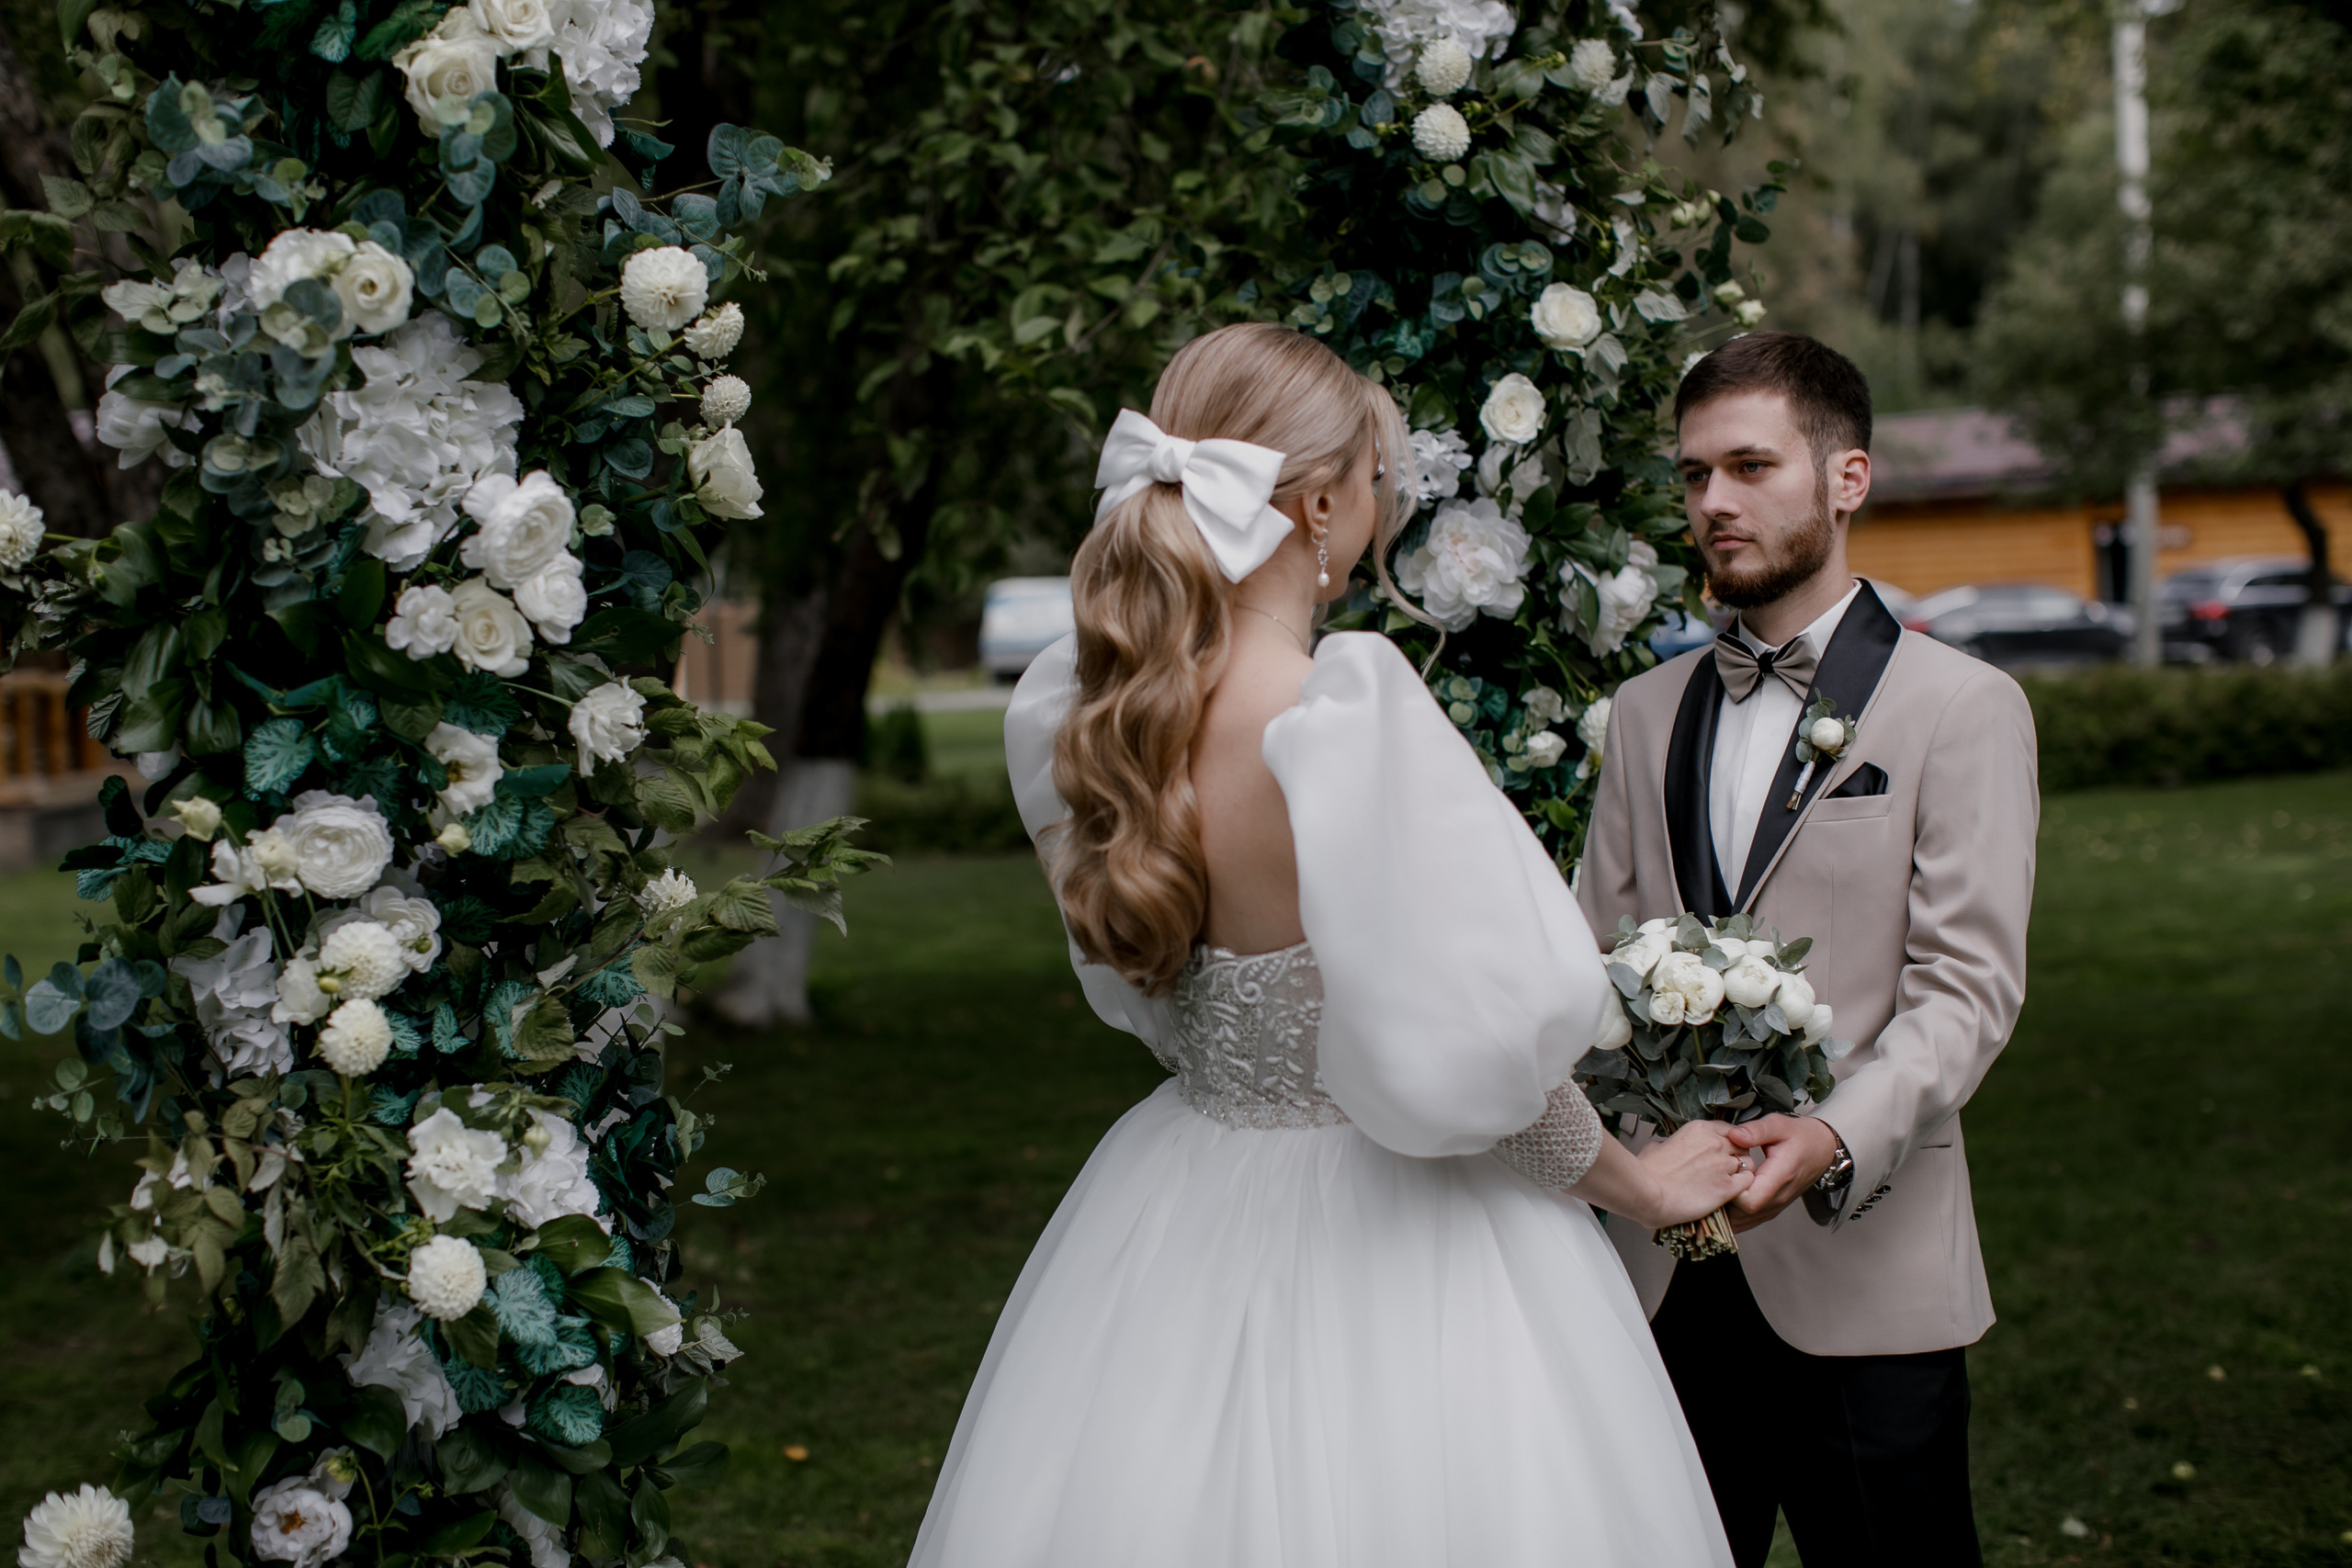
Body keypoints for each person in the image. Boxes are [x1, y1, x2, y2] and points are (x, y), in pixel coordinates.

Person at [910, 322, 1748, 1566]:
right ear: (1314, 505)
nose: (1380, 511)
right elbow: (1470, 1063)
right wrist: (1644, 1186)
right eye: (1374, 484)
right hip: (1404, 1234)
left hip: (1175, 1212)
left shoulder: (1090, 720)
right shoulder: (1341, 717)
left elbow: (1152, 1007)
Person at [1577, 332, 2040, 1568]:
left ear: (1847, 479)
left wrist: (1835, 1134)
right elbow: (1589, 972)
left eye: (1749, 466)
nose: (1714, 502)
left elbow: (1970, 991)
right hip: (1664, 1275)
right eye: (1692, 476)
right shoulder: (1641, 716)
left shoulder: (1963, 708)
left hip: (1865, 1262)